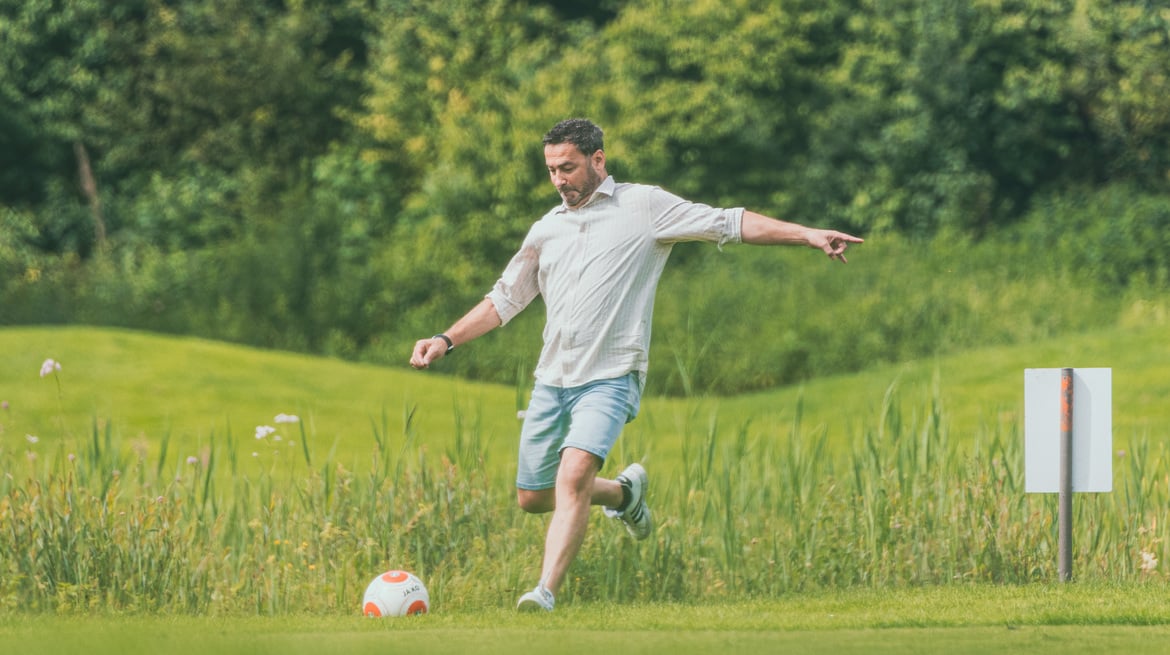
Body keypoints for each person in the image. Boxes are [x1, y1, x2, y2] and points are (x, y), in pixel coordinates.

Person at [409, 118, 862, 612]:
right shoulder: (547, 229)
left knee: (573, 474)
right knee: (535, 497)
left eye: (568, 167)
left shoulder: (644, 207)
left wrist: (808, 235)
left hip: (612, 375)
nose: (559, 180)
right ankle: (624, 496)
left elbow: (728, 222)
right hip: (553, 379)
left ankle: (544, 593)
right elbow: (505, 299)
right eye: (551, 170)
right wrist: (445, 339)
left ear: (598, 160)